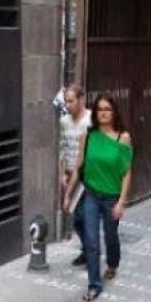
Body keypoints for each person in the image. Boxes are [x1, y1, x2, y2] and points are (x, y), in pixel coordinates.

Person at [64, 95, 133, 302]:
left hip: (112, 197)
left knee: (111, 237)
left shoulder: (123, 137)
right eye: (100, 109)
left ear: (114, 112)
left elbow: (127, 173)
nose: (103, 113)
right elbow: (78, 167)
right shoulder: (89, 135)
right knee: (92, 242)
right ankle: (94, 285)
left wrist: (121, 202)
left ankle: (112, 264)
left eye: (108, 109)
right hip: (91, 195)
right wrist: (68, 193)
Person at [59, 84, 92, 265]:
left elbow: (84, 158)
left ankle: (90, 251)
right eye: (66, 102)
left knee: (83, 215)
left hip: (88, 175)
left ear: (81, 99)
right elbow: (62, 148)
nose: (68, 105)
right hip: (72, 173)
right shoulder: (64, 121)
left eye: (71, 101)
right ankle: (88, 249)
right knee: (76, 217)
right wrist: (62, 173)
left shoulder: (91, 121)